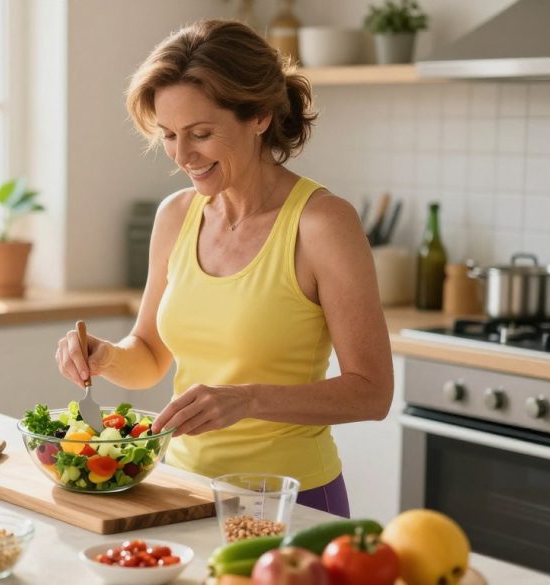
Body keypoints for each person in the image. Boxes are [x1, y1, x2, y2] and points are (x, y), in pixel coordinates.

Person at [53, 19, 393, 517]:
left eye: (202, 134)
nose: (182, 155)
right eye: (168, 135)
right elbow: (148, 354)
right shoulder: (176, 215)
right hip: (181, 489)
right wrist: (103, 357)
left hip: (292, 500)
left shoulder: (322, 224)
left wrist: (249, 399)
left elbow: (372, 393)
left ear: (258, 115)